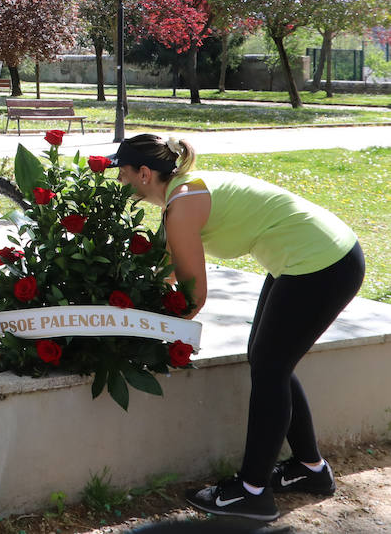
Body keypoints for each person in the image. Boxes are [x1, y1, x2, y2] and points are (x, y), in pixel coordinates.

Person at [111, 133, 363, 524]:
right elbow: (168, 270)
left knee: (270, 367)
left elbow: (193, 298)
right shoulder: (183, 194)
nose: (122, 182)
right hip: (304, 258)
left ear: (144, 173)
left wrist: (144, 334)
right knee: (267, 361)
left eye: (124, 174)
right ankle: (310, 470)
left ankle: (252, 492)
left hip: (322, 264)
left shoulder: (182, 207)